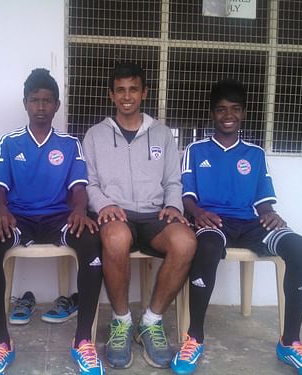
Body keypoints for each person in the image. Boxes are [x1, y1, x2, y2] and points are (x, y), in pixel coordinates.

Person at [172, 78, 302, 375]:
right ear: (212, 114)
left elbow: (263, 200)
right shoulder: (196, 149)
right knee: (208, 246)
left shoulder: (255, 154)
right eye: (221, 109)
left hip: (250, 223)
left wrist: (271, 214)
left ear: (243, 113)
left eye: (235, 109)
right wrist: (197, 212)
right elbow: (187, 195)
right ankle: (195, 337)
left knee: (300, 248)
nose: (228, 115)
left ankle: (290, 342)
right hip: (212, 221)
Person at [0, 68, 104, 375]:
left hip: (57, 218)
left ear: (57, 105)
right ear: (25, 103)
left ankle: (83, 340)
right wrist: (1, 210)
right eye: (34, 100)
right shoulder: (9, 143)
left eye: (47, 101)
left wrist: (79, 210)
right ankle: (1, 342)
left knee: (91, 241)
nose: (40, 106)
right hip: (18, 218)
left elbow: (78, 187)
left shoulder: (69, 143)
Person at [82, 62, 197, 370]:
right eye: (120, 90)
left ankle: (151, 321)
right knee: (116, 238)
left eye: (133, 89)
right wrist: (104, 204)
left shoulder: (161, 134)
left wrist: (174, 204)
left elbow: (174, 180)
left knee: (185, 242)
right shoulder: (95, 135)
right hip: (116, 214)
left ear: (144, 93)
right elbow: (89, 183)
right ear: (111, 95)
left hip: (154, 213)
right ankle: (121, 322)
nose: (127, 96)